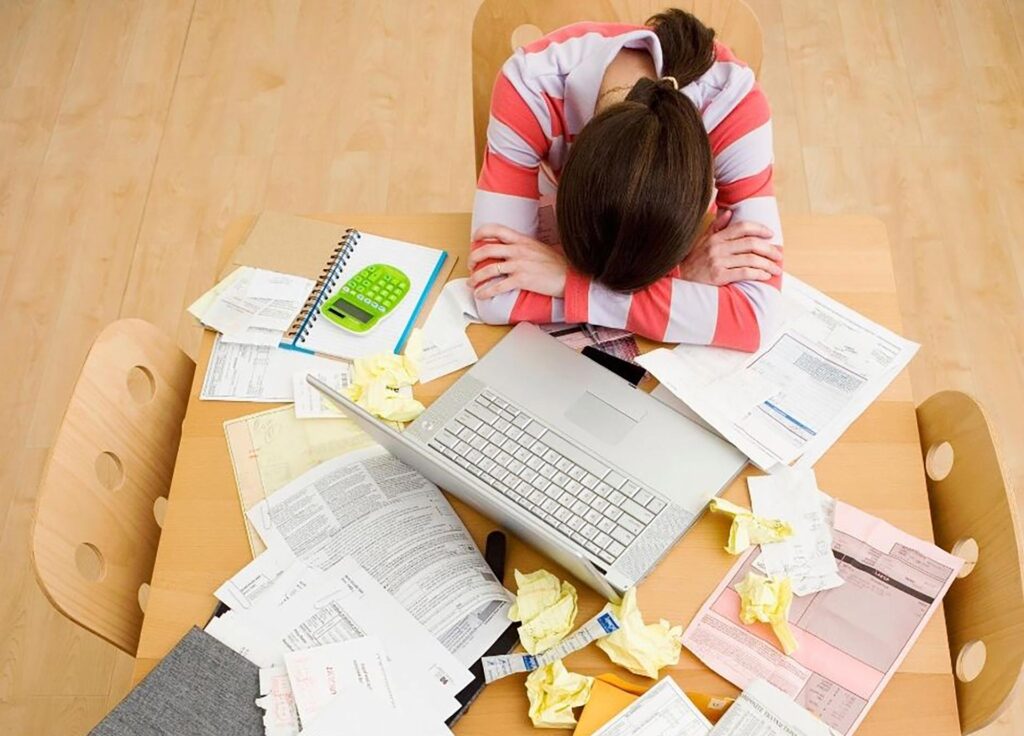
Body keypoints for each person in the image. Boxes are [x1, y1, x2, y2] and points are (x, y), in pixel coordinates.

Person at [468, 9, 783, 352]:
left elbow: (755, 318)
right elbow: (494, 294)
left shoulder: (733, 103)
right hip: (601, 230)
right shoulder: (531, 85)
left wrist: (567, 281)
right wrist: (679, 281)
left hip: (658, 233)